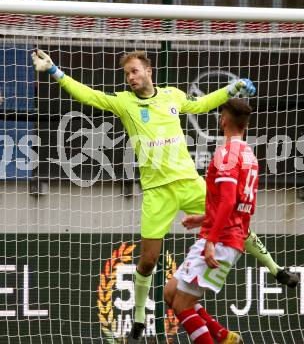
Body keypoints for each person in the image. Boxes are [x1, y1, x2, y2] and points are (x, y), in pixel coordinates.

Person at [31, 50, 298, 343]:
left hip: (187, 181)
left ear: (148, 70)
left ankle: (276, 269)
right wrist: (55, 71)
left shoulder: (171, 95)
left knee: (234, 220)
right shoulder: (124, 103)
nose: (130, 78)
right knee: (147, 261)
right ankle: (139, 320)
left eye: (134, 71)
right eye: (127, 74)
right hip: (156, 193)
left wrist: (230, 89)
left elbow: (199, 105)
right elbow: (88, 95)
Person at [164, 98, 258, 343]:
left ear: (224, 120)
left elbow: (227, 202)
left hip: (221, 239)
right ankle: (222, 335)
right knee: (170, 292)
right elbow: (238, 205)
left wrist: (210, 241)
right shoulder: (249, 155)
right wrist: (203, 218)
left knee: (182, 303)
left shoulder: (226, 153)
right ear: (245, 125)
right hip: (230, 235)